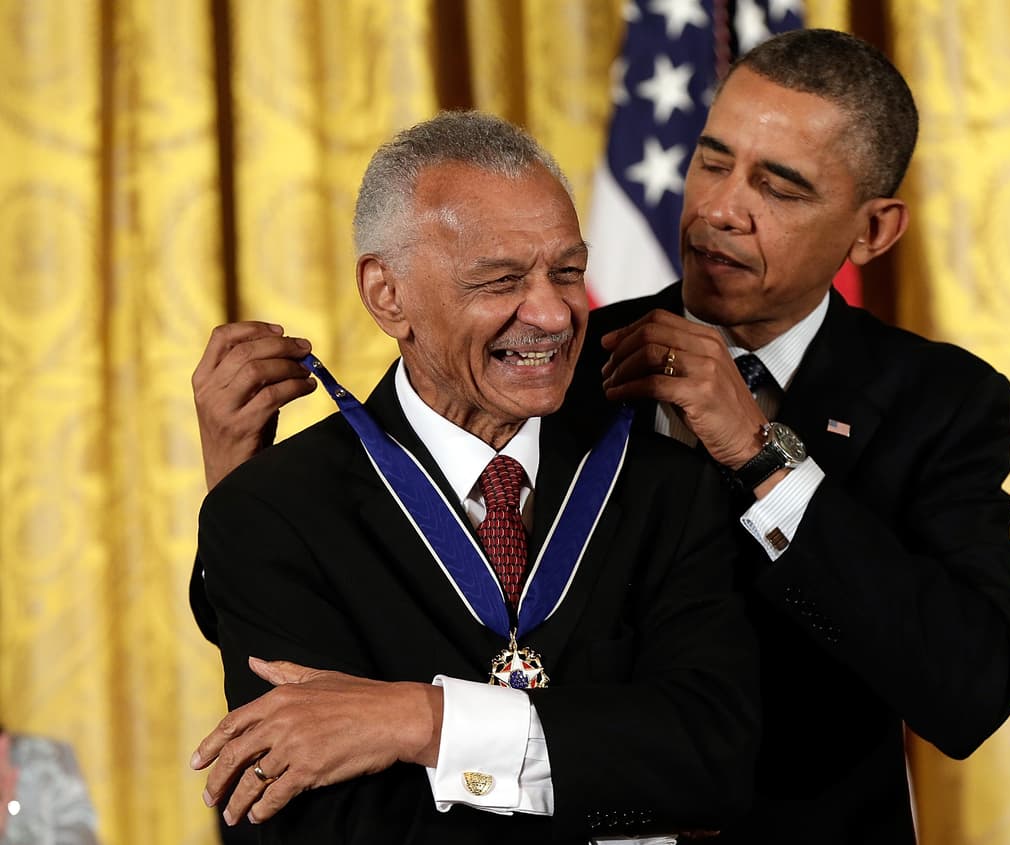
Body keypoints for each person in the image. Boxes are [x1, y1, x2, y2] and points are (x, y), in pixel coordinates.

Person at [193, 30, 1010, 844]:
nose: (720, 208)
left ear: (873, 230)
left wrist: (763, 454)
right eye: (710, 160)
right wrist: (241, 487)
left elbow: (968, 691)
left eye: (780, 187)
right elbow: (357, 577)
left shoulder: (942, 402)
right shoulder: (553, 354)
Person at [189, 111, 759, 843]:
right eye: (501, 279)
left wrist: (420, 721)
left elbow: (714, 763)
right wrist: (603, 773)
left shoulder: (667, 487)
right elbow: (310, 827)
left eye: (568, 271)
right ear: (387, 294)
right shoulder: (271, 511)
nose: (553, 313)